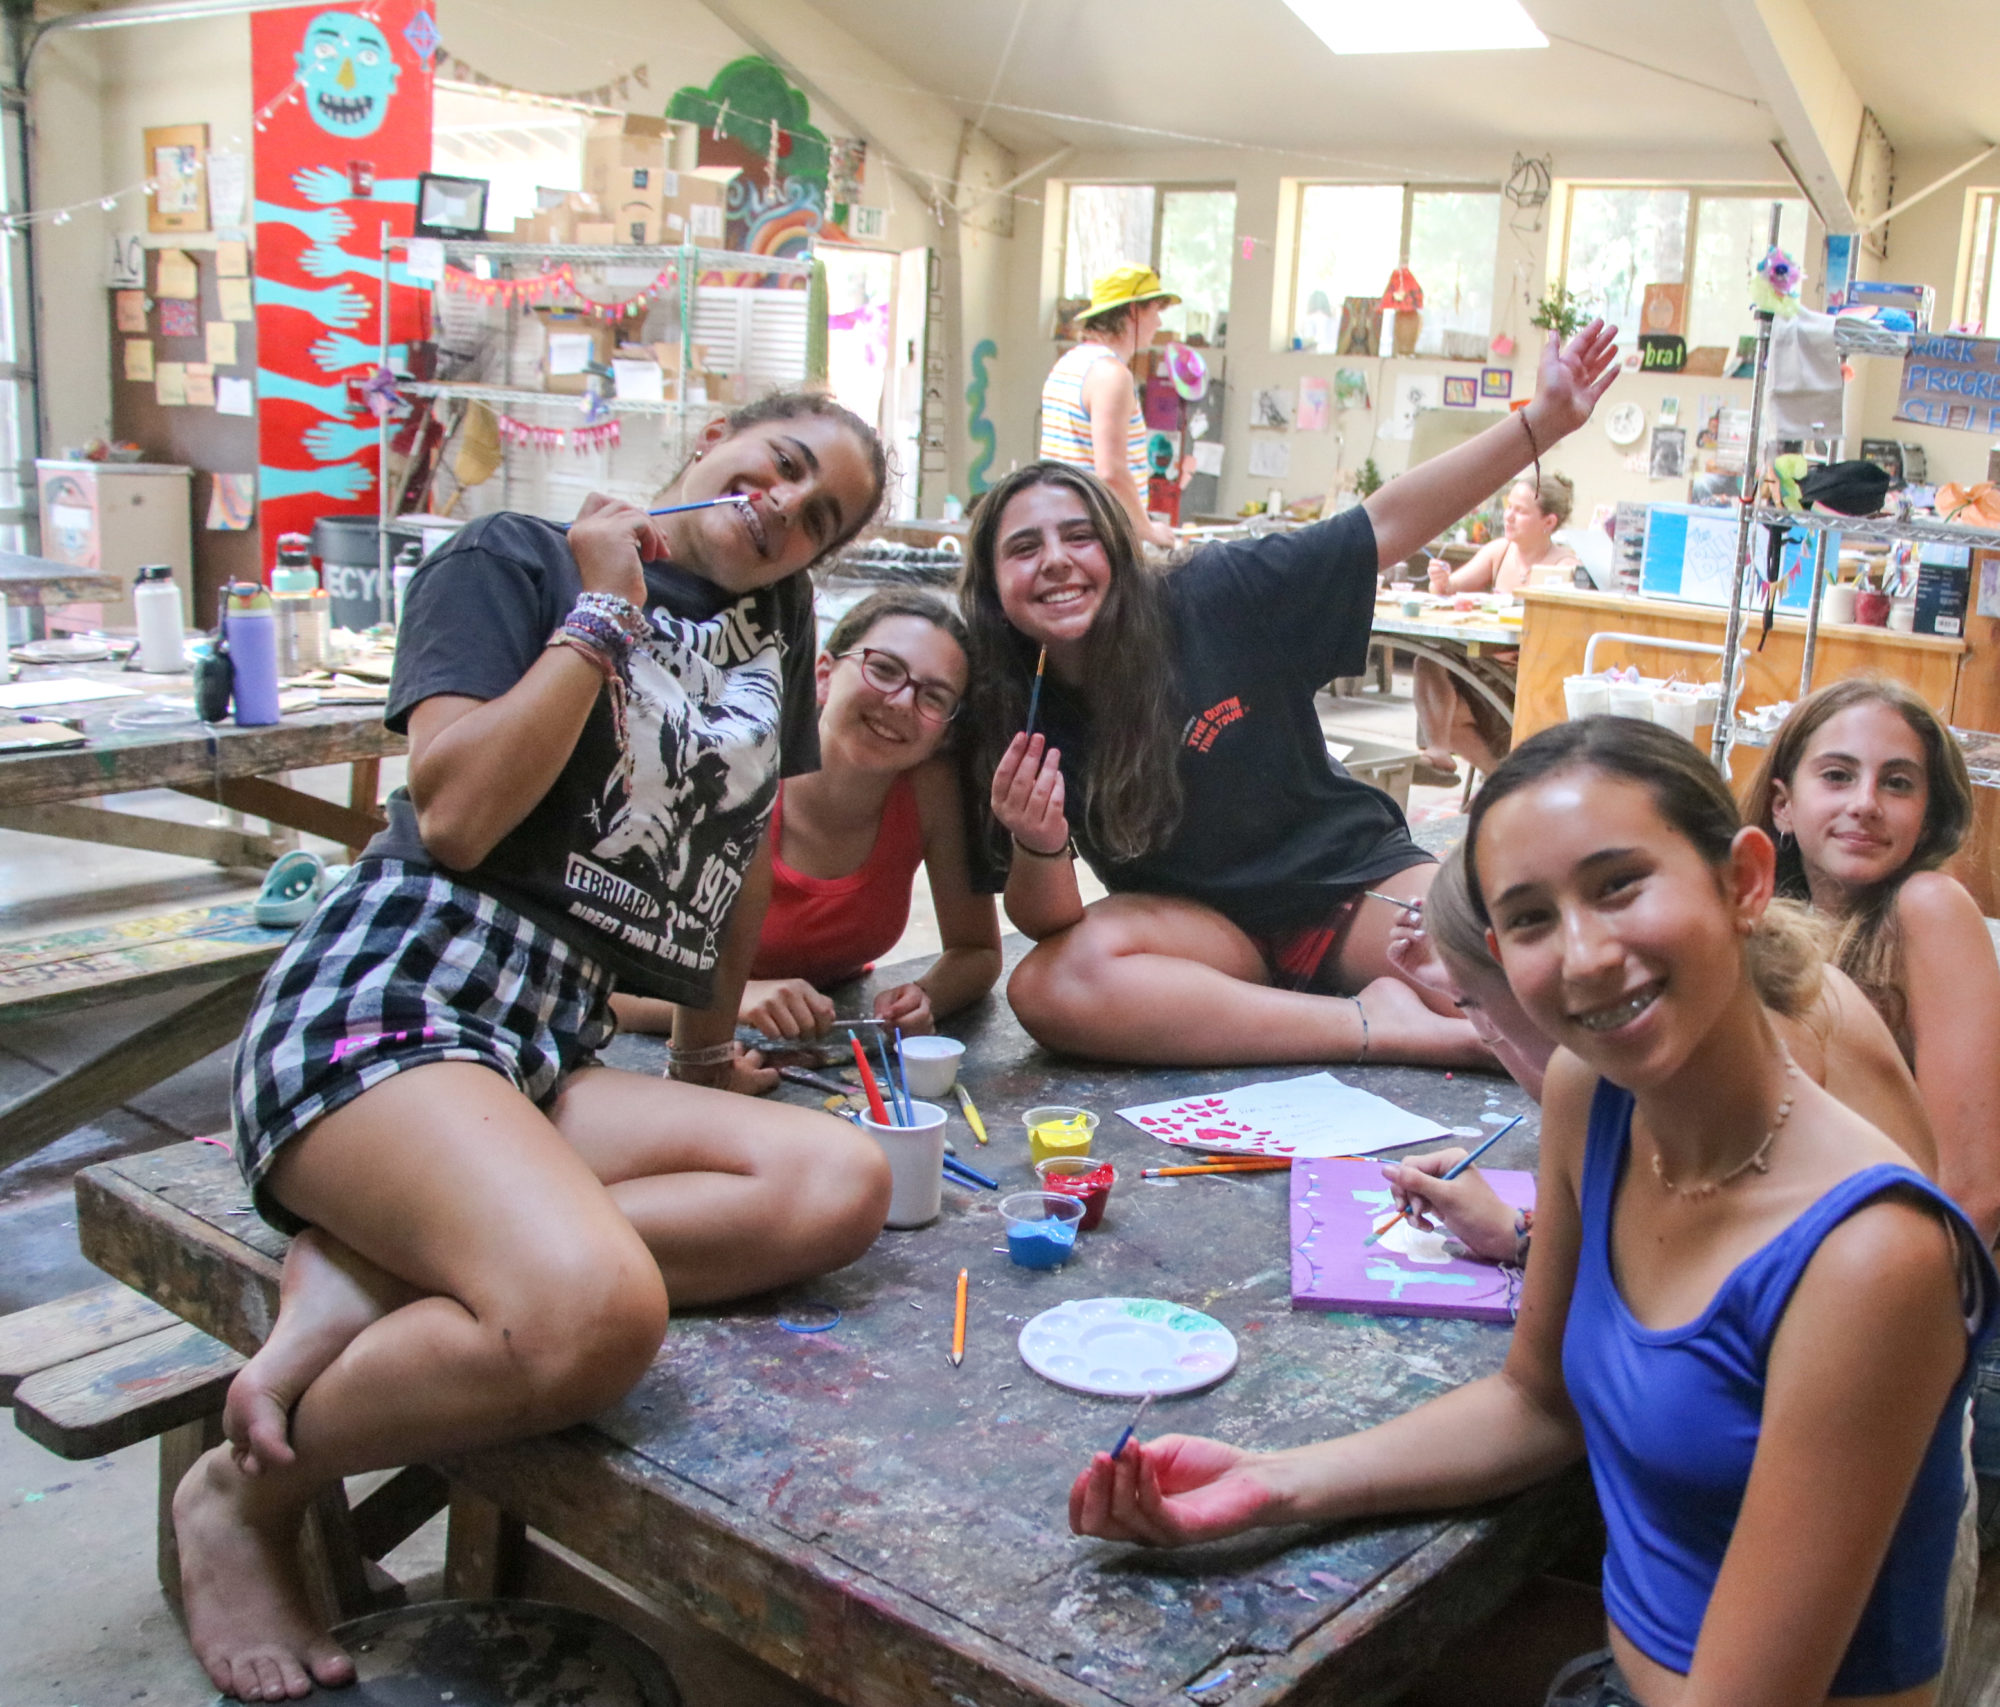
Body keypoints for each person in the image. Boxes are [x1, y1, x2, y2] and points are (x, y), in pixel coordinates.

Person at [185, 393, 896, 1703]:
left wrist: (702, 1058)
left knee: (839, 1180)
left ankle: (373, 1261)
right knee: (594, 1318)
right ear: (716, 435)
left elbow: (736, 855)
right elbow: (455, 817)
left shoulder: (772, 627)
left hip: (541, 1041)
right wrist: (600, 615)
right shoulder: (514, 553)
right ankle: (244, 1489)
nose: (786, 508)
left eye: (821, 519)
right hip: (391, 996)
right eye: (782, 465)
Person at [1069, 717, 2000, 1707]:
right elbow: (1536, 1402)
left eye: (1619, 885)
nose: (1585, 955)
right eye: (1530, 919)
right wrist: (1269, 1480)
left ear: (1744, 881)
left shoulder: (1869, 1256)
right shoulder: (1592, 1100)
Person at [969, 319, 1625, 1069]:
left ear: (1116, 550)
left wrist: (1542, 421)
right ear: (993, 586)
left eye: (1079, 536)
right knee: (1048, 987)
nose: (1055, 561)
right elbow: (1045, 920)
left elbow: (1383, 523)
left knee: (1541, 1003)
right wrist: (1038, 840)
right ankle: (1383, 1028)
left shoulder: (1214, 594)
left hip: (1351, 887)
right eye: (1024, 548)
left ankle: (1330, 1016)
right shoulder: (1009, 701)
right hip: (1205, 938)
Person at [1745, 676, 2000, 1550]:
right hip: (1888, 1327)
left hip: (1985, 1392)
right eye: (1837, 775)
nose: (1865, 803)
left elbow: (1977, 1194)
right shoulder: (1777, 931)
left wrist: (1825, 1361)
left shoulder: (1928, 907)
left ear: (1928, 814)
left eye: (1897, 782)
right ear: (1783, 803)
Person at [1380, 822, 1937, 1265]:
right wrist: (1516, 1233)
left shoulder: (1733, 1052)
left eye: (1475, 1000)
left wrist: (1527, 1239)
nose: (1485, 1025)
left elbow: (1700, 1273)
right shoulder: (1658, 1033)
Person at [609, 589, 1001, 1041]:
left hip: (826, 1039)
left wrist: (922, 997)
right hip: (690, 1042)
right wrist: (735, 1000)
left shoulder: (931, 791)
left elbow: (976, 951)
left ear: (945, 732)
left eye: (933, 697)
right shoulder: (728, 767)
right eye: (883, 669)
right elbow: (610, 989)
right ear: (823, 674)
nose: (899, 702)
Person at [1412, 473, 1580, 783]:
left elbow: (1559, 630)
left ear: (1549, 522)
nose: (1509, 516)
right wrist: (1440, 580)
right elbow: (1449, 588)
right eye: (1508, 506)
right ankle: (1442, 753)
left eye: (1521, 511)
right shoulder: (1499, 551)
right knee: (1429, 661)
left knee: (1449, 709)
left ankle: (1500, 783)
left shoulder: (1564, 567)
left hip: (1523, 678)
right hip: (1484, 667)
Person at [1040, 264, 1180, 549]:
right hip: (1094, 537)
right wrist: (1147, 530)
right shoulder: (1111, 375)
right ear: (1133, 311)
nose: (1158, 324)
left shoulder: (1068, 363)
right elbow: (1111, 472)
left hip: (1062, 530)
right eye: (1155, 312)